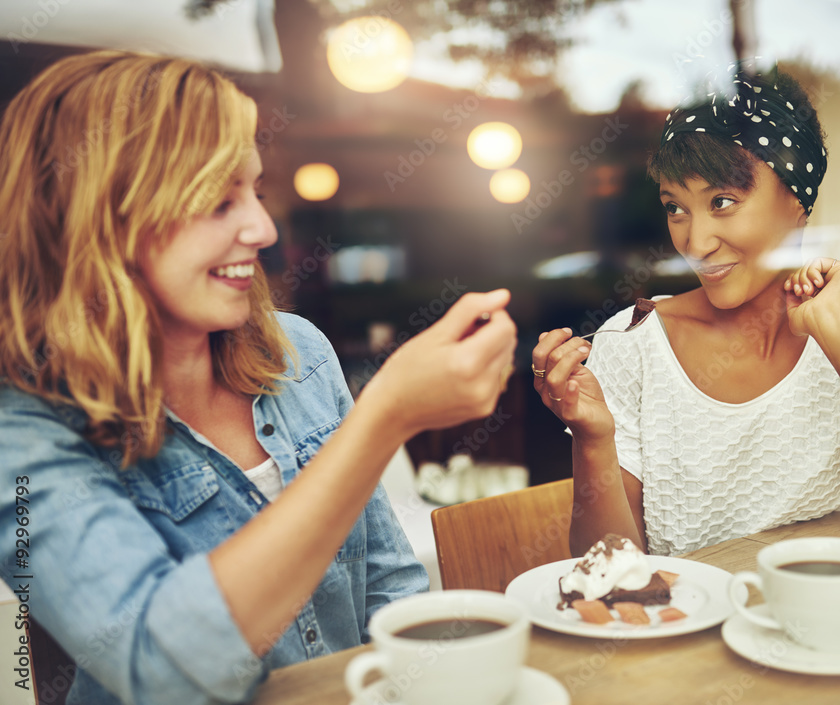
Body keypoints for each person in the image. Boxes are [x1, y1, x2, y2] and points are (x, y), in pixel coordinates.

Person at [0, 51, 517, 705]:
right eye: (220, 200)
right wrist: (386, 414)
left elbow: (389, 584)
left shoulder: (298, 351)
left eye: (257, 192)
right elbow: (157, 664)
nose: (264, 228)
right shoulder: (22, 432)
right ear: (99, 217)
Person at [531, 63, 840, 568]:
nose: (696, 241)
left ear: (798, 202)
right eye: (676, 207)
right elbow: (609, 571)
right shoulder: (633, 344)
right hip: (688, 637)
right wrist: (593, 438)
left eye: (723, 200)